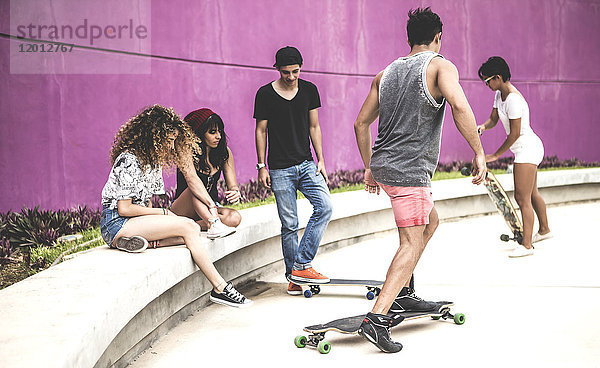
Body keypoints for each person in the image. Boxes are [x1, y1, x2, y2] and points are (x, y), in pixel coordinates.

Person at [353, 8, 486, 352]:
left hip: (385, 167)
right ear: (438, 37)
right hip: (409, 172)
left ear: (408, 37)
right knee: (410, 242)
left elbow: (360, 124)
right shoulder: (440, 66)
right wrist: (479, 152)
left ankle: (403, 291)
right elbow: (459, 105)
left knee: (431, 222)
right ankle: (378, 318)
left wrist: (370, 165)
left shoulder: (386, 73)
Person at [100, 104, 252, 308]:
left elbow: (145, 203)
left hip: (134, 224)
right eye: (169, 141)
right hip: (116, 224)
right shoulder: (129, 160)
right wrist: (162, 213)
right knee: (190, 227)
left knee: (187, 234)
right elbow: (124, 209)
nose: (172, 147)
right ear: (155, 137)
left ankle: (143, 243)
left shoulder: (151, 162)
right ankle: (220, 288)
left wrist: (158, 222)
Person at [254, 46, 333, 295]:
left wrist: (321, 159)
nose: (291, 77)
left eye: (295, 71)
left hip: (307, 164)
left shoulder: (309, 90)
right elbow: (261, 130)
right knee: (289, 224)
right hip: (279, 169)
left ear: (301, 67)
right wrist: (261, 166)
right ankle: (295, 278)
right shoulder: (265, 94)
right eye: (286, 72)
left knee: (325, 207)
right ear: (277, 69)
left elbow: (314, 127)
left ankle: (300, 265)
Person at [477, 56, 552, 257]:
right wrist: (483, 126)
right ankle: (544, 230)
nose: (487, 85)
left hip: (527, 148)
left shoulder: (513, 100)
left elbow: (515, 133)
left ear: (498, 77)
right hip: (525, 148)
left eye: (487, 81)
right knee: (532, 194)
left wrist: (495, 155)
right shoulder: (499, 95)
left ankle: (526, 245)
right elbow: (493, 119)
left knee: (521, 197)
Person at [171, 108, 241, 238]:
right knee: (195, 188)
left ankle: (191, 226)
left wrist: (235, 192)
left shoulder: (224, 153)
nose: (218, 136)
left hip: (209, 208)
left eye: (220, 131)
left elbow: (233, 186)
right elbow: (192, 179)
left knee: (234, 218)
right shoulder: (186, 152)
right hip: (183, 208)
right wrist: (212, 208)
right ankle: (213, 224)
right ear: (200, 133)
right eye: (212, 132)